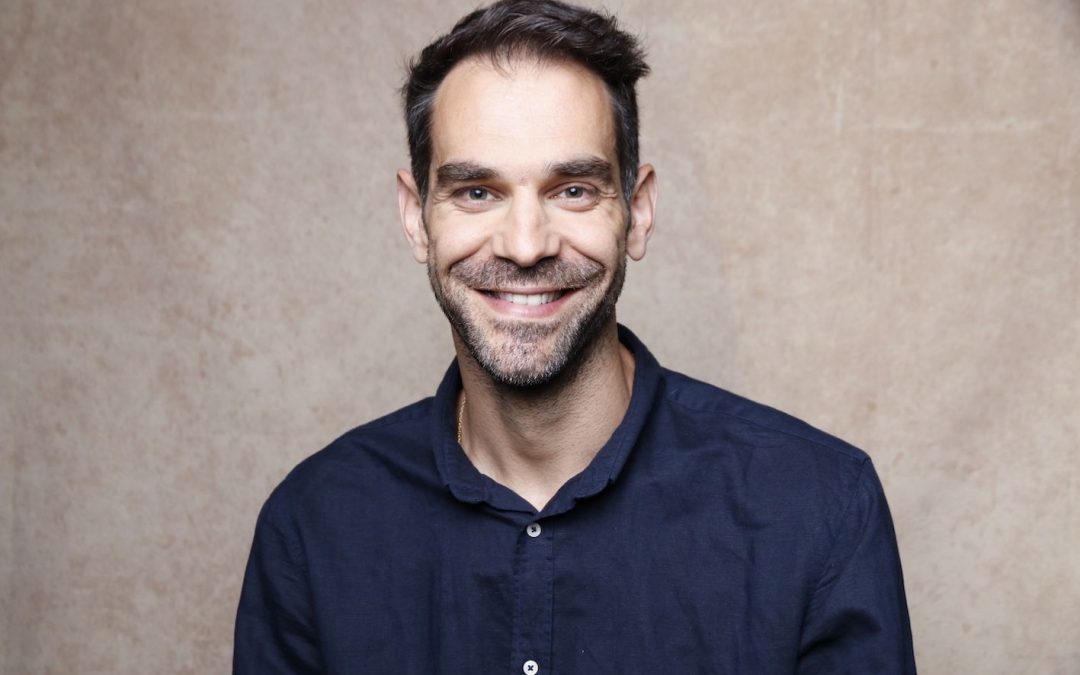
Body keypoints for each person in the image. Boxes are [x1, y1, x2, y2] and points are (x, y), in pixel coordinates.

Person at [233, 0, 917, 672]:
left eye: (573, 190)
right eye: (477, 192)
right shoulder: (313, 526)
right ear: (417, 219)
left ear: (638, 211)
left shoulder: (817, 507)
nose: (526, 245)